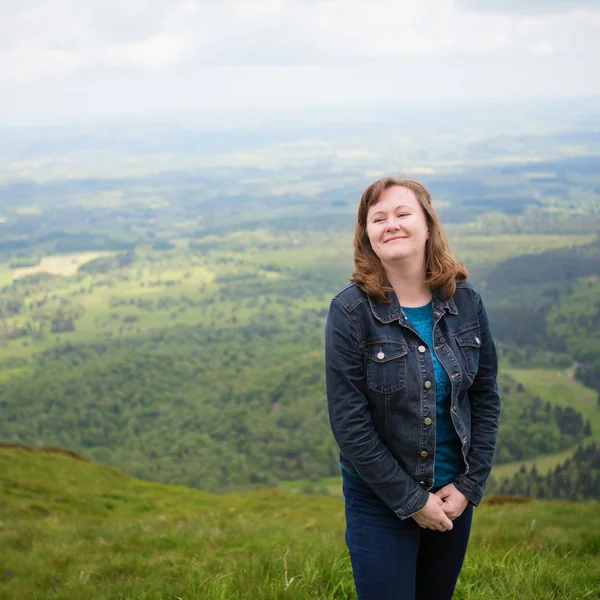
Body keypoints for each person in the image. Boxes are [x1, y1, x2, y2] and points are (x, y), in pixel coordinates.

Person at [325, 177, 500, 600]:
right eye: (378, 218)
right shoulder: (350, 312)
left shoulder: (466, 302)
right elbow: (350, 426)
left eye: (403, 214)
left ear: (427, 225)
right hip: (380, 501)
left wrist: (468, 486)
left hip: (451, 495)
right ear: (367, 235)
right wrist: (412, 501)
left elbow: (485, 398)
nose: (391, 224)